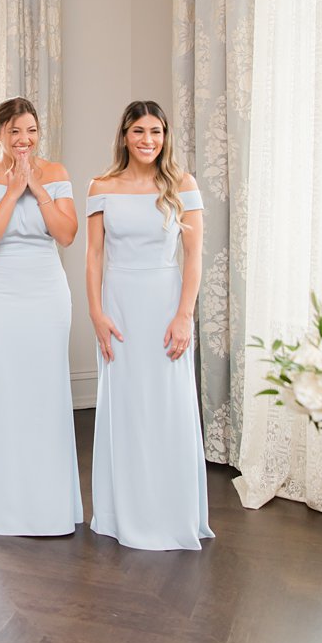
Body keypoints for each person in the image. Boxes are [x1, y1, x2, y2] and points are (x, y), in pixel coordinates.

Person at [86, 101, 211, 551]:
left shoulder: (182, 184)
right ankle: (123, 512)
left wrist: (184, 315)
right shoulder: (101, 185)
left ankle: (170, 511)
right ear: (124, 136)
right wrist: (97, 314)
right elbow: (94, 256)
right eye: (138, 131)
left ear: (165, 136)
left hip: (164, 302)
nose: (147, 140)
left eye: (155, 131)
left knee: (167, 405)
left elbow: (194, 256)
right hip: (119, 306)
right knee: (126, 406)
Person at [0, 96, 81, 536]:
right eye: (14, 131)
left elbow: (67, 234)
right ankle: (1, 505)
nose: (23, 139)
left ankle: (49, 502)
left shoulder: (57, 174)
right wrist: (13, 191)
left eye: (30, 130)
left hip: (47, 293)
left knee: (45, 389)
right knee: (3, 390)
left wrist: (37, 188)